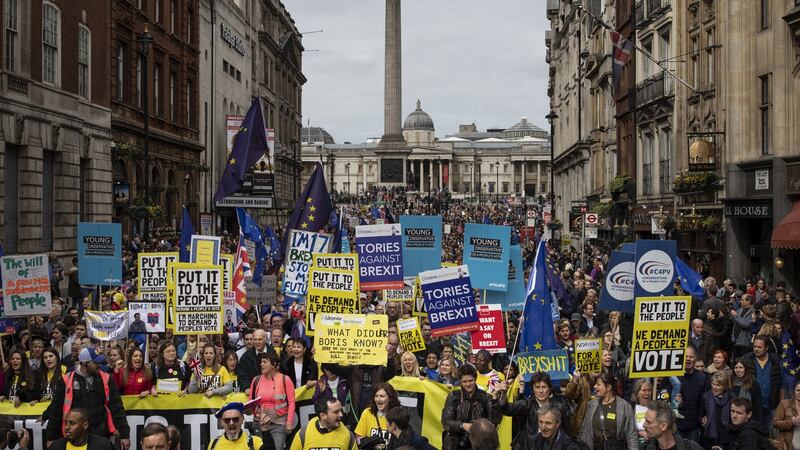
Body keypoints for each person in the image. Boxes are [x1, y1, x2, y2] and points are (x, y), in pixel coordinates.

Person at [46, 348, 130, 450]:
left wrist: (125, 435)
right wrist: (51, 437)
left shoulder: (107, 378)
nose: (98, 365)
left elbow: (117, 408)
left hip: (101, 434)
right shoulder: (66, 380)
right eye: (95, 362)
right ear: (85, 364)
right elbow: (56, 410)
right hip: (75, 437)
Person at [496, 371, 570, 450]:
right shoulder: (527, 404)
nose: (541, 391)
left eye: (544, 387)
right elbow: (507, 409)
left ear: (549, 389)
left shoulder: (559, 406)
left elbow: (566, 430)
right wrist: (503, 394)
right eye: (537, 387)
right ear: (533, 390)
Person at [441, 364, 501, 450]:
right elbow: (446, 422)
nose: (468, 384)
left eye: (470, 380)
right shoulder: (454, 396)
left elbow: (494, 421)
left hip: (480, 444)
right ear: (460, 381)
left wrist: (495, 398)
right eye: (464, 382)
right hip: (455, 444)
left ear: (475, 379)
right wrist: (463, 426)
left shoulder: (485, 396)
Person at [578, 372, 638, 450]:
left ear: (608, 387)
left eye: (599, 384)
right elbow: (584, 429)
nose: (595, 387)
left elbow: (631, 434)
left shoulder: (624, 407)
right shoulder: (591, 405)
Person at [248, 353, 295, 450]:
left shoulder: (285, 379)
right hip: (259, 424)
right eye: (261, 362)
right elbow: (251, 402)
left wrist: (289, 423)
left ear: (273, 365)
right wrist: (250, 411)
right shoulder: (256, 380)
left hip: (278, 424)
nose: (261, 364)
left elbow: (291, 403)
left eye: (265, 362)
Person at [742, 335, 781, 428]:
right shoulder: (747, 359)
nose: (756, 349)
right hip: (752, 406)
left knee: (768, 435)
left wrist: (780, 405)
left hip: (770, 406)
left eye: (759, 347)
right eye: (754, 347)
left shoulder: (775, 361)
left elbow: (781, 383)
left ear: (766, 347)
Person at [289, 398, 356, 450]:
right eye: (336, 412)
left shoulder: (348, 435)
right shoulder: (303, 434)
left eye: (341, 410)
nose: (341, 415)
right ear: (323, 415)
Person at [208, 401, 276, 450]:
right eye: (227, 420)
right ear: (222, 422)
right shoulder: (214, 444)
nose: (231, 423)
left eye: (235, 419)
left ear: (242, 419)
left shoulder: (254, 442)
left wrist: (266, 431)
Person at [47, 408, 114, 450]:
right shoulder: (56, 446)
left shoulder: (103, 445)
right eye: (66, 423)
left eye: (72, 423)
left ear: (85, 425)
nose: (66, 427)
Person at [700, 371, 735, 449]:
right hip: (710, 439)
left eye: (718, 385)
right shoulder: (706, 397)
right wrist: (703, 418)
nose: (714, 387)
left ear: (724, 386)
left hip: (727, 437)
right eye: (713, 384)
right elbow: (700, 414)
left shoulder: (732, 397)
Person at [239, 329, 271, 395]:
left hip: (271, 391)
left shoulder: (274, 353)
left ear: (265, 339)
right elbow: (242, 375)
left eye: (260, 339)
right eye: (255, 339)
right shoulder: (246, 356)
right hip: (253, 393)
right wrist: (246, 387)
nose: (257, 342)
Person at [772, 379, 800, 450]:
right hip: (788, 445)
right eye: (798, 390)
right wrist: (791, 422)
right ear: (794, 391)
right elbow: (775, 423)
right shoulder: (784, 404)